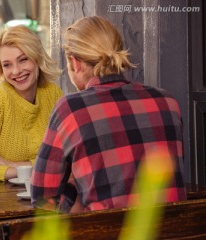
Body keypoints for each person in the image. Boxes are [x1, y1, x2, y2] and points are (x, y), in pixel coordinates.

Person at [31, 16, 187, 213]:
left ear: (75, 62)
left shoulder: (70, 109)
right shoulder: (168, 102)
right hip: (177, 231)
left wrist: (75, 189)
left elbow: (43, 197)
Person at [0, 25, 63, 181]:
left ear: (37, 58)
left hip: (47, 192)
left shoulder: (52, 94)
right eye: (7, 65)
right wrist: (19, 170)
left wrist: (10, 164)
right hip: (0, 199)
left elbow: (65, 159)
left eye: (23, 60)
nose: (16, 71)